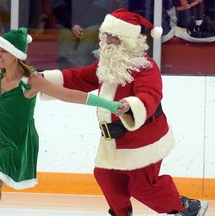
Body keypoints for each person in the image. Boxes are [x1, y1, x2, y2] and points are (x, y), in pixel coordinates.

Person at [41, 8, 209, 216]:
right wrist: (43, 81)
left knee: (143, 186)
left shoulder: (145, 67)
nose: (109, 41)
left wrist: (132, 105)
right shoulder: (107, 64)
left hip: (143, 138)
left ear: (129, 41)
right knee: (106, 176)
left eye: (115, 37)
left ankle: (187, 208)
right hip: (114, 140)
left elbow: (150, 94)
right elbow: (80, 78)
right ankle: (121, 213)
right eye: (107, 36)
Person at [0, 27, 122, 216]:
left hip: (17, 144)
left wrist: (109, 104)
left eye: (3, 50)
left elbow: (69, 95)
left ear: (16, 54)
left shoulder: (31, 81)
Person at [51, 0, 119, 70]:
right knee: (65, 36)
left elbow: (101, 7)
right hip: (68, 23)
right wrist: (72, 24)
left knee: (91, 34)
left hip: (95, 23)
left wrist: (81, 25)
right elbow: (58, 6)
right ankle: (66, 72)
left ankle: (79, 70)